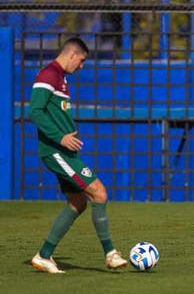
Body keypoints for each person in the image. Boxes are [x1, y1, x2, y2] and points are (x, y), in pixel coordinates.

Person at [29, 37, 128, 273]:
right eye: (82, 60)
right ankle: (111, 254)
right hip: (56, 151)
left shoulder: (60, 78)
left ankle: (44, 256)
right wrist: (60, 137)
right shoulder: (49, 74)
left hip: (64, 151)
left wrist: (67, 132)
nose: (82, 66)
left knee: (78, 202)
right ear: (72, 54)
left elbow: (54, 113)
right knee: (99, 193)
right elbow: (35, 111)